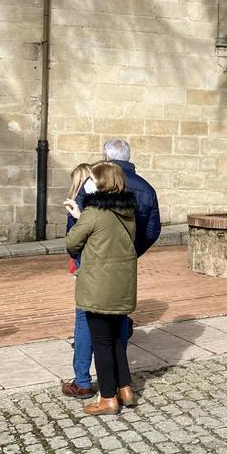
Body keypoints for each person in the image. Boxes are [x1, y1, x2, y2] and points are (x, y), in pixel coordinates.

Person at [65, 162, 139, 416]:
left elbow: (72, 242)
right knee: (117, 340)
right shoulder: (128, 212)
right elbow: (107, 235)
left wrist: (79, 218)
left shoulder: (94, 212)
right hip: (121, 285)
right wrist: (81, 216)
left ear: (99, 183)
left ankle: (108, 397)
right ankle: (124, 387)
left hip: (99, 287)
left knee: (102, 343)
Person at [61, 162, 97, 401]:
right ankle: (118, 380)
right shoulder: (112, 203)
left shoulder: (79, 204)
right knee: (116, 316)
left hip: (88, 264)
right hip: (116, 267)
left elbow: (72, 241)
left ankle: (82, 381)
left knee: (84, 319)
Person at [100, 139, 161, 254]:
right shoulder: (147, 189)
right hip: (128, 256)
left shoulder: (94, 182)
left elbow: (77, 218)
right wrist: (133, 252)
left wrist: (79, 255)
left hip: (95, 256)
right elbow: (152, 232)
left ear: (107, 157)